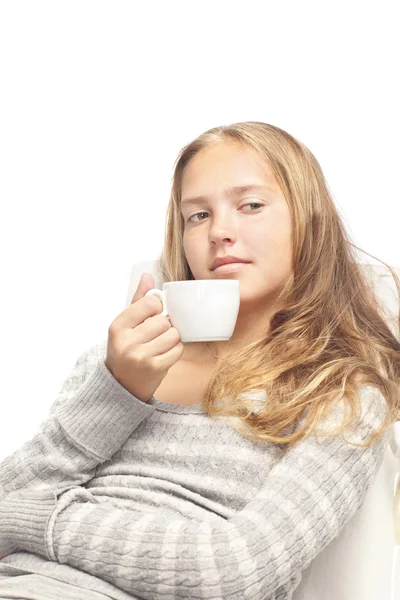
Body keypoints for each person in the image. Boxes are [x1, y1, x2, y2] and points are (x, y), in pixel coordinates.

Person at [0, 121, 399, 600]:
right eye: (198, 215)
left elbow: (229, 572)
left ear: (308, 219)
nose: (221, 232)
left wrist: (38, 519)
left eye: (251, 205)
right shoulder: (118, 363)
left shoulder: (340, 394)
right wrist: (116, 392)